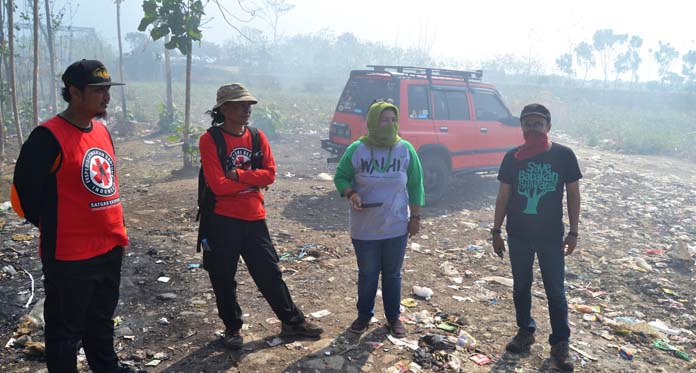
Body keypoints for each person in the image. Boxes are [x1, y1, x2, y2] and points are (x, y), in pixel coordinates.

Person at [11, 60, 143, 373]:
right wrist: (60, 224)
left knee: (100, 318)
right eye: (98, 90)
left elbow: (105, 182)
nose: (107, 97)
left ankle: (106, 367)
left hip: (110, 246)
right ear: (74, 92)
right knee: (65, 331)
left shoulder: (101, 131)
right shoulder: (48, 137)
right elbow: (22, 197)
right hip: (70, 255)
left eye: (108, 90)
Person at [199, 83, 323, 349]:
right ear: (224, 109)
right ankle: (232, 328)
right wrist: (252, 182)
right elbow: (218, 185)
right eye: (240, 104)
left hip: (254, 217)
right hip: (222, 219)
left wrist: (240, 176)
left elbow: (270, 175)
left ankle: (291, 322)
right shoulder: (210, 140)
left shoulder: (257, 137)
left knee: (269, 272)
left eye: (248, 105)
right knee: (223, 276)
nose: (246, 109)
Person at [491, 104, 581, 371]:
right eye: (527, 123)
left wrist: (574, 231)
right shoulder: (513, 158)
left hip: (551, 236)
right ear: (521, 128)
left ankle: (560, 343)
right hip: (518, 235)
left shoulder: (564, 156)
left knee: (555, 290)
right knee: (521, 286)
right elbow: (503, 196)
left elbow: (574, 195)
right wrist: (495, 231)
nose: (532, 128)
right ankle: (525, 331)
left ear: (548, 127)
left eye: (537, 124)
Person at [333, 100, 425, 338]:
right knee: (368, 273)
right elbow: (341, 177)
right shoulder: (357, 149)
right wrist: (351, 193)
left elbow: (416, 186)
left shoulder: (405, 150)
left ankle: (393, 318)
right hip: (365, 228)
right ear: (373, 122)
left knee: (393, 274)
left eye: (393, 120)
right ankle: (364, 316)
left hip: (396, 225)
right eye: (384, 120)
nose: (390, 124)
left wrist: (415, 217)